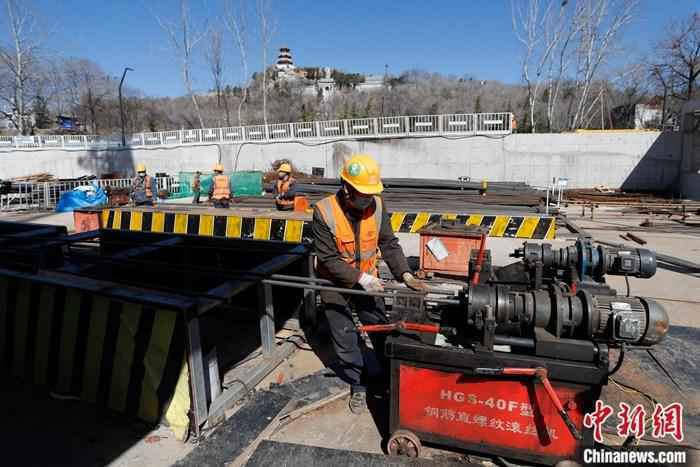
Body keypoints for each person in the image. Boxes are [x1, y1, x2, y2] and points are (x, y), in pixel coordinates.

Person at [312, 154, 428, 414]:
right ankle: (358, 383)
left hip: (369, 278)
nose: (367, 200)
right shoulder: (324, 211)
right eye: (363, 194)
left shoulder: (376, 205)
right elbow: (328, 258)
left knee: (379, 327)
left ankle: (389, 377)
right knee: (345, 336)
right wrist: (360, 279)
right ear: (346, 188)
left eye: (370, 194)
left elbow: (388, 242)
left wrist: (405, 275)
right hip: (334, 282)